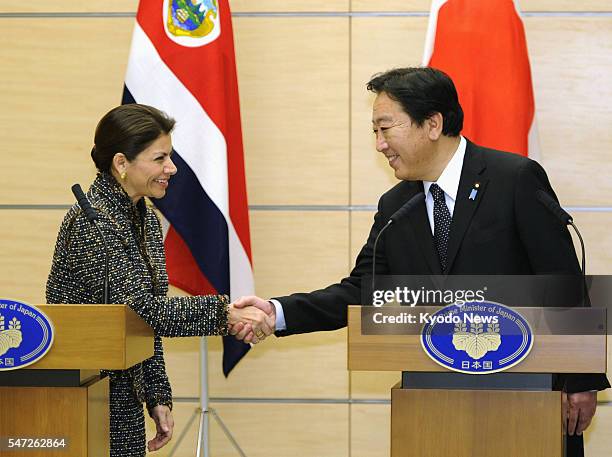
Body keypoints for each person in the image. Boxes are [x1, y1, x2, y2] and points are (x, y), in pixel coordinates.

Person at [229, 67, 609, 456]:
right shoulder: (397, 206)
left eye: (385, 128)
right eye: (374, 131)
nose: (379, 144)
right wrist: (276, 312)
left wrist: (579, 380)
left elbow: (562, 278)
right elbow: (363, 290)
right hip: (436, 403)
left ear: (432, 123)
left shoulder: (513, 178)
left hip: (531, 393)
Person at [46, 104, 272, 457]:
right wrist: (226, 314)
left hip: (124, 396)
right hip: (85, 396)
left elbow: (140, 324)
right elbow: (147, 311)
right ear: (121, 163)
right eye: (160, 158)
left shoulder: (145, 221)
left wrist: (156, 395)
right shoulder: (92, 224)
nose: (172, 168)